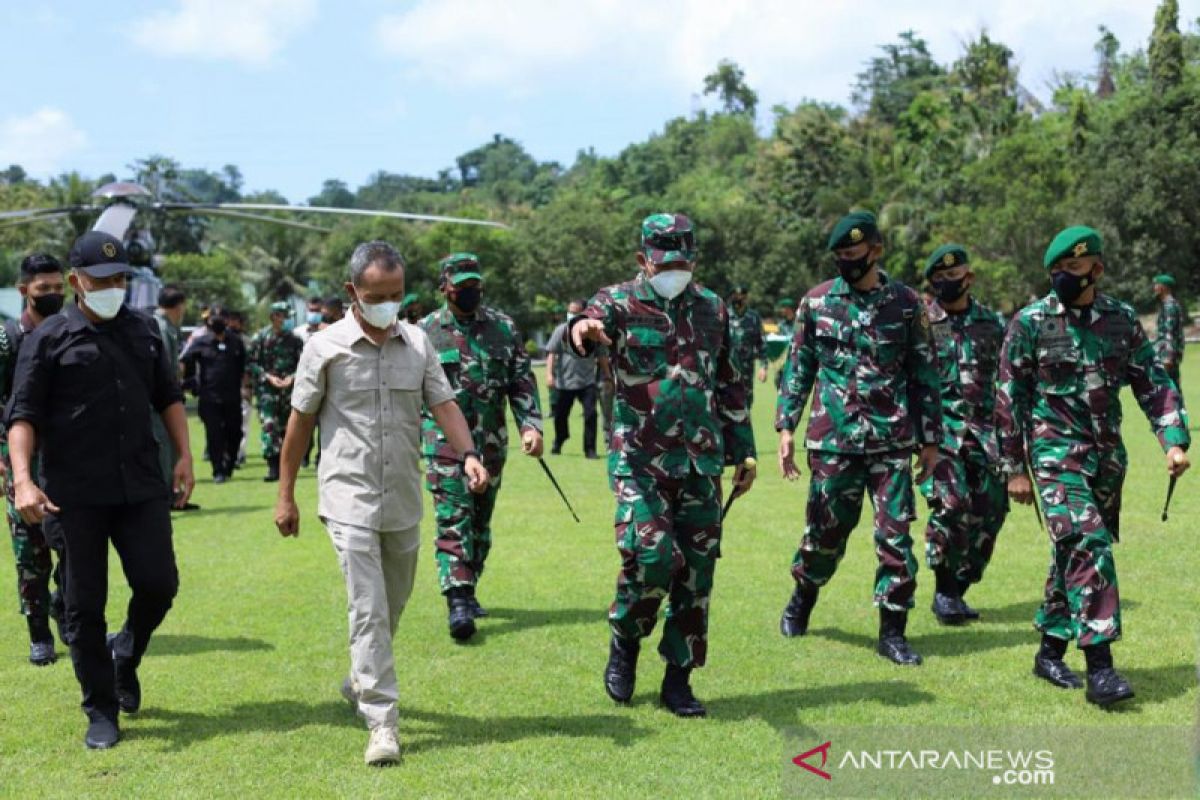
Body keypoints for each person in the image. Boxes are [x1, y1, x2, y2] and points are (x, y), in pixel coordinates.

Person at [275, 241, 488, 766]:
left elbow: (444, 403)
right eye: (378, 295)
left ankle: (360, 678)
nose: (389, 303)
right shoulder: (324, 348)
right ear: (353, 292)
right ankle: (382, 722)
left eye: (396, 294)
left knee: (392, 605)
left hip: (402, 498)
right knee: (368, 608)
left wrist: (468, 455)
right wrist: (286, 495)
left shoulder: (417, 343)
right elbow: (299, 425)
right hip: (347, 496)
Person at [5, 231, 194, 749]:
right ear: (75, 282)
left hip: (139, 485)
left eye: (120, 279)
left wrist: (184, 454)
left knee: (159, 584)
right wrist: (22, 480)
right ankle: (100, 710)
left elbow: (169, 396)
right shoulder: (47, 339)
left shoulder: (144, 332)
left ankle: (126, 655)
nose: (112, 287)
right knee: (83, 607)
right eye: (101, 280)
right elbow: (22, 416)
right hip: (73, 493)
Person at [571, 213, 756, 717]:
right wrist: (581, 329)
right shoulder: (617, 303)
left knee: (697, 576)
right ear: (642, 260)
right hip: (640, 460)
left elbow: (731, 381)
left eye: (683, 260)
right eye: (665, 260)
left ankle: (679, 678)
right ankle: (625, 640)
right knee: (651, 558)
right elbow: (584, 328)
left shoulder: (714, 308)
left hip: (701, 461)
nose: (675, 269)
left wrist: (745, 449)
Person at [996, 225, 1190, 707]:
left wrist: (1173, 439)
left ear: (1097, 269)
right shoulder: (1031, 321)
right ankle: (1100, 668)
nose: (1063, 276)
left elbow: (1153, 383)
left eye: (1074, 268)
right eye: (1057, 270)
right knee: (1088, 542)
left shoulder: (1121, 320)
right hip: (1053, 452)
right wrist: (1013, 467)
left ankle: (1048, 651)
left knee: (1073, 552)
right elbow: (1007, 398)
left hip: (1105, 458)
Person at [775, 211, 940, 666]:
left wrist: (930, 439)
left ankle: (892, 631)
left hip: (892, 441)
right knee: (824, 536)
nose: (846, 262)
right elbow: (799, 367)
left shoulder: (907, 305)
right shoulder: (817, 302)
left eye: (853, 253)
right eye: (840, 256)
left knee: (896, 538)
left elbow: (925, 372)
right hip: (834, 442)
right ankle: (803, 595)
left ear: (876, 250)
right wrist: (786, 426)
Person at [418, 253, 543, 641]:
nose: (471, 292)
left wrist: (530, 426)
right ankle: (457, 599)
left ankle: (468, 585)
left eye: (476, 285)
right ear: (444, 289)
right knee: (453, 515)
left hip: (490, 443)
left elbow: (521, 381)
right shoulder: (425, 332)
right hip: (444, 445)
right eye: (462, 287)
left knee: (479, 521)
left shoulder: (503, 328)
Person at [919, 245, 1008, 624]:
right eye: (939, 279)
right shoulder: (921, 323)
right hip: (940, 435)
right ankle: (944, 588)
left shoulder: (992, 323)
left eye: (954, 277)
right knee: (951, 505)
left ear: (969, 279)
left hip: (985, 434)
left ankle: (960, 583)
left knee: (992, 511)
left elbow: (1007, 378)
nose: (946, 284)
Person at [1, 253, 67, 665]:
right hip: (19, 462)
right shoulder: (7, 340)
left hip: (67, 461)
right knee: (30, 553)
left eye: (59, 288)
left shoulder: (71, 332)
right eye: (44, 290)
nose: (53, 295)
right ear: (24, 290)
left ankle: (68, 612)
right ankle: (39, 632)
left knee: (76, 548)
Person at [181, 306, 246, 484]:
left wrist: (246, 386)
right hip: (209, 397)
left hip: (232, 397)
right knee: (214, 434)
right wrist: (190, 381)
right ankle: (218, 470)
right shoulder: (201, 341)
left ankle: (230, 463)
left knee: (235, 433)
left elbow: (243, 365)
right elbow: (186, 360)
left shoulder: (236, 341)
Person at [247, 301, 304, 482]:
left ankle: (287, 466)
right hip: (267, 391)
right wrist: (268, 377)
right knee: (269, 425)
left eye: (288, 316)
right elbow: (251, 363)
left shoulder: (295, 340)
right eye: (284, 315)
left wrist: (292, 377)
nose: (287, 320)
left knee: (287, 429)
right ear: (274, 317)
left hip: (289, 392)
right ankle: (273, 467)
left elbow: (305, 363)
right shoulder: (260, 338)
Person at [151, 286, 197, 510]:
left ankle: (172, 494)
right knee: (163, 449)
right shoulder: (160, 328)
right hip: (160, 401)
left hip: (165, 398)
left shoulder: (167, 327)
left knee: (170, 448)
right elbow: (163, 370)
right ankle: (164, 497)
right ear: (178, 306)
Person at [545, 299, 605, 458]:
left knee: (591, 415)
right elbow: (551, 353)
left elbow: (602, 356)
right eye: (570, 311)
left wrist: (608, 376)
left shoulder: (593, 333)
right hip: (564, 382)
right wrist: (549, 374)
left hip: (587, 382)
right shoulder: (561, 330)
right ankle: (559, 440)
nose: (571, 314)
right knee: (560, 416)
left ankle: (590, 449)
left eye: (575, 312)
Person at [727, 285, 767, 407]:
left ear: (746, 298)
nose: (739, 299)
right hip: (727, 367)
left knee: (746, 402)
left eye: (742, 297)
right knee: (726, 401)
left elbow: (762, 343)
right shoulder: (724, 315)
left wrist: (763, 366)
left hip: (747, 369)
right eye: (736, 296)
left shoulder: (754, 318)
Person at [1152, 274, 1186, 392]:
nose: (1154, 288)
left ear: (1163, 287)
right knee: (1172, 388)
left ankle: (1175, 409)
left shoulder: (1169, 306)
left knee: (1168, 390)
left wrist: (1167, 357)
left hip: (1167, 354)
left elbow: (1169, 333)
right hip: (1170, 353)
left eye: (1156, 285)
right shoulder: (1171, 304)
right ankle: (1178, 410)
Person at [772, 297, 797, 390]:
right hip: (782, 367)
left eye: (783, 308)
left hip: (795, 365)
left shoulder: (799, 324)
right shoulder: (780, 325)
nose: (781, 310)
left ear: (788, 309)